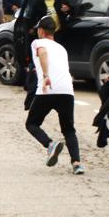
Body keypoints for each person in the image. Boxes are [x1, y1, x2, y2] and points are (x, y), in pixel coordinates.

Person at [24, 16, 83, 174]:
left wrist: (45, 75)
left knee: (32, 124)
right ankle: (77, 163)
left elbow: (42, 53)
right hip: (67, 91)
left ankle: (50, 144)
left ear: (41, 31)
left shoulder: (38, 43)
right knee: (69, 129)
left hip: (47, 89)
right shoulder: (61, 48)